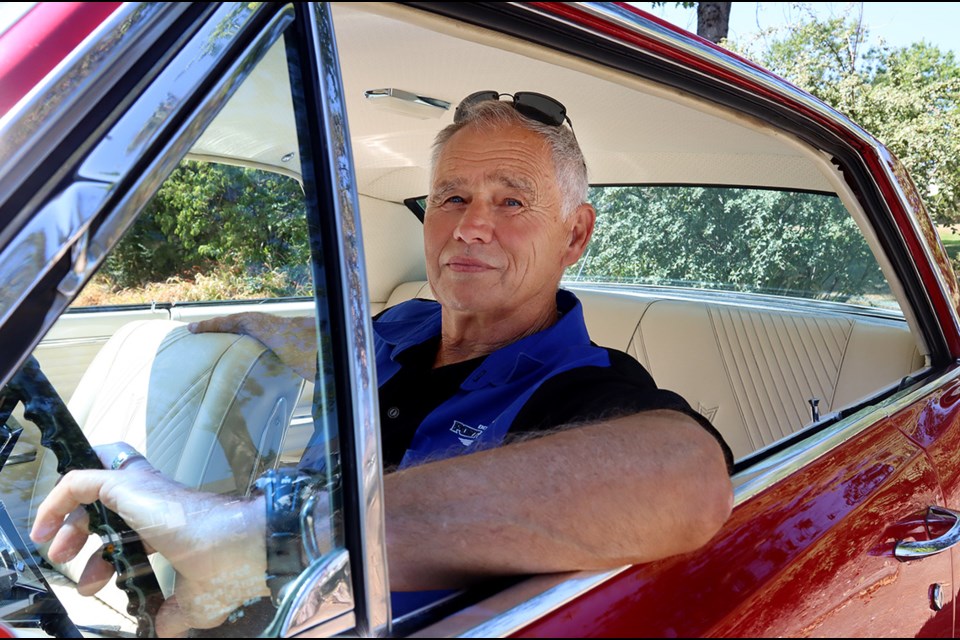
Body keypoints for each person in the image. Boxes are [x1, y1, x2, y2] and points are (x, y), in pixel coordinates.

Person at [30, 92, 734, 636]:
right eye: (451, 197)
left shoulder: (584, 388)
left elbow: (690, 478)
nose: (469, 225)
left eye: (511, 201)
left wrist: (264, 536)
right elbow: (327, 353)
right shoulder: (404, 325)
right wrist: (245, 322)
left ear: (574, 234)